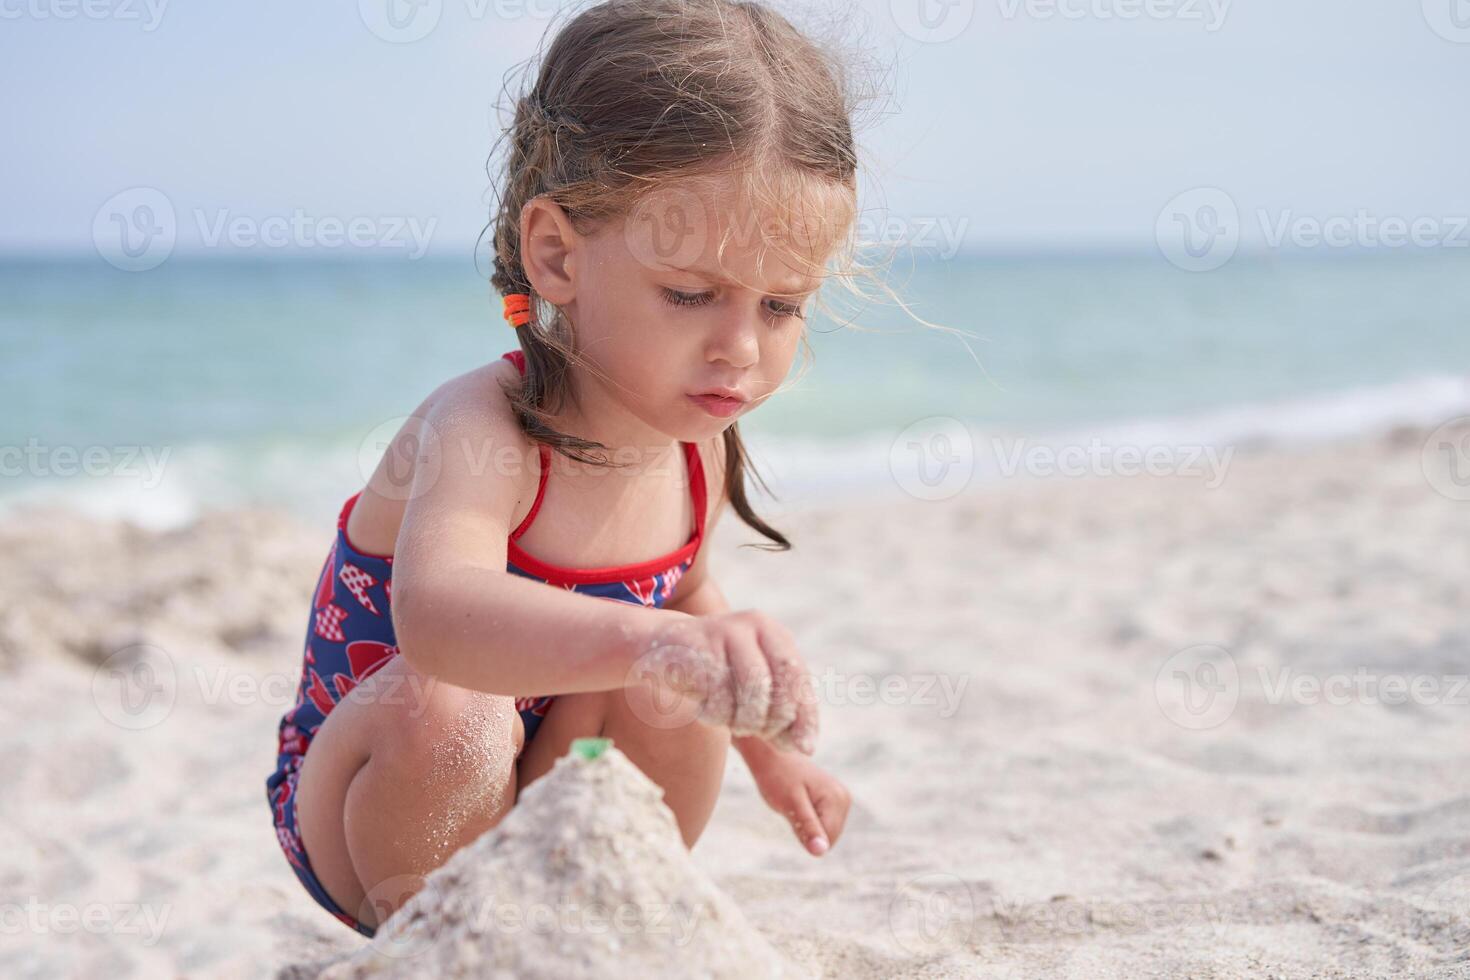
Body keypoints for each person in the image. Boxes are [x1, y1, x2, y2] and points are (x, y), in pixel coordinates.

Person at [266, 0, 872, 936]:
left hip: (547, 790)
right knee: (455, 707)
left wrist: (768, 750)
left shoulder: (694, 449)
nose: (740, 349)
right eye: (690, 294)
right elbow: (436, 620)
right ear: (556, 254)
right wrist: (649, 643)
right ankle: (434, 943)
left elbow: (690, 596)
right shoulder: (488, 427)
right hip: (372, 806)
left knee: (677, 680)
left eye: (783, 306)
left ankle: (594, 924)